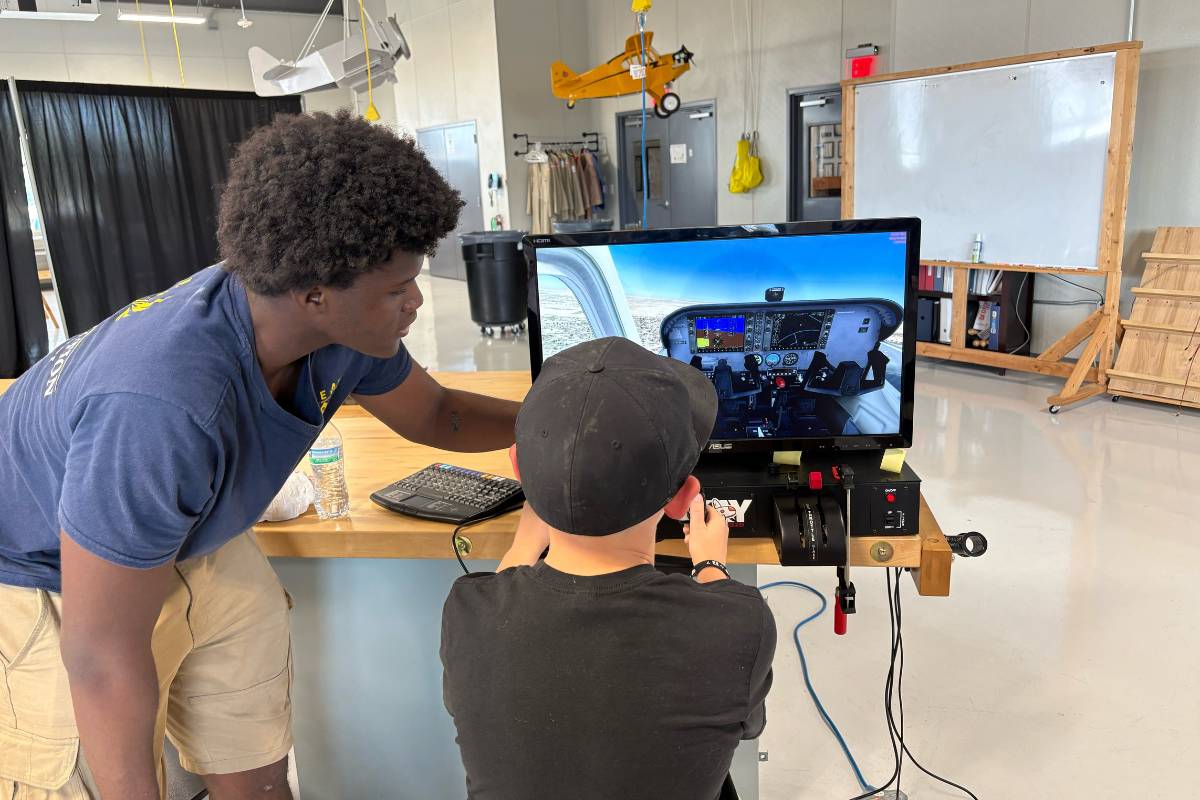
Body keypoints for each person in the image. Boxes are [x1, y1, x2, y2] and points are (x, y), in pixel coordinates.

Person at [0, 110, 521, 800]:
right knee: (107, 778)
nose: (417, 302)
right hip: (54, 577)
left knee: (256, 772)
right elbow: (99, 656)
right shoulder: (163, 406)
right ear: (316, 296)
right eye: (397, 289)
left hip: (194, 537)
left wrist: (563, 419)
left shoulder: (331, 327)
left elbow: (437, 413)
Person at [441, 337, 777, 800]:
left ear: (520, 469)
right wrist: (711, 564)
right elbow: (747, 724)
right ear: (683, 499)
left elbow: (501, 595)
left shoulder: (467, 609)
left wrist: (526, 536)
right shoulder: (739, 623)